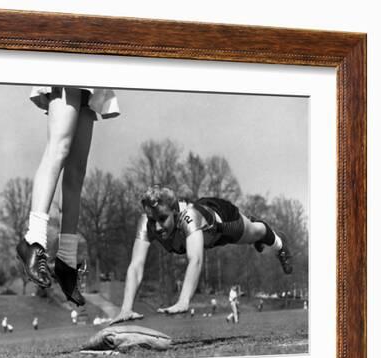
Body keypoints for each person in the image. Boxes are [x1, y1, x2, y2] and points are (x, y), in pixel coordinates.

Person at [110, 185, 292, 324]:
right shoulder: (147, 223)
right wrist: (126, 308)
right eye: (152, 220)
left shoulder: (189, 217)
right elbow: (136, 265)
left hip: (223, 224)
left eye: (163, 219)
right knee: (254, 235)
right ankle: (262, 236)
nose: (157, 227)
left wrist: (183, 300)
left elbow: (195, 260)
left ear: (175, 212)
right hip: (204, 236)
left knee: (256, 231)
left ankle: (279, 243)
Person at [16, 86, 120, 307]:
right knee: (58, 148)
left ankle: (66, 260)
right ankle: (33, 241)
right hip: (69, 61)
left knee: (77, 172)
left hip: (93, 65)